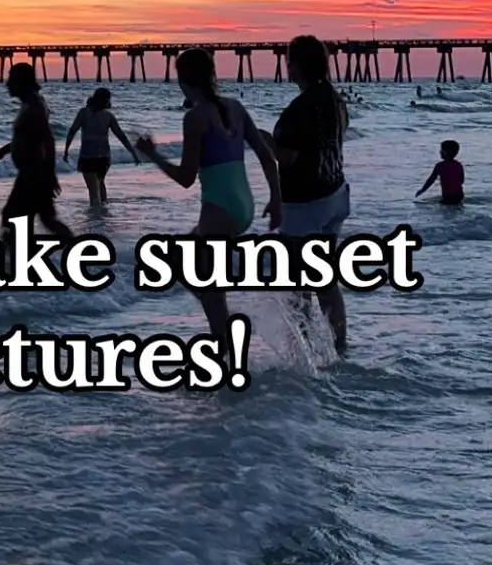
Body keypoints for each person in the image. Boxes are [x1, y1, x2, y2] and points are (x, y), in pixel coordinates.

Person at [135, 47, 281, 347]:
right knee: (177, 258)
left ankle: (226, 360)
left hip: (218, 211)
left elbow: (186, 179)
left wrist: (154, 156)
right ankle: (221, 322)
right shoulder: (236, 107)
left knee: (210, 294)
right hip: (244, 206)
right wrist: (276, 200)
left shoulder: (196, 117)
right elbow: (267, 157)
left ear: (184, 79)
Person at [271, 34, 350, 354]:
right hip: (335, 193)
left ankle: (303, 348)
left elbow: (288, 157)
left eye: (289, 61)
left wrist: (261, 140)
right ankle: (339, 344)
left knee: (297, 282)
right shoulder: (335, 99)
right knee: (325, 278)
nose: (286, 67)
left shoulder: (299, 108)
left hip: (305, 202)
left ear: (298, 66)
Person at [0, 62, 75, 246]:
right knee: (41, 219)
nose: (7, 84)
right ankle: (21, 257)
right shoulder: (30, 104)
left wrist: (50, 174)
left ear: (21, 81)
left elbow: (48, 139)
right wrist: (1, 152)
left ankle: (16, 259)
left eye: (11, 79)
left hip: (34, 174)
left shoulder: (35, 105)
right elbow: (26, 138)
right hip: (31, 173)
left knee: (13, 217)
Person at [63, 85, 139, 207]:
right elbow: (121, 136)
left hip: (88, 156)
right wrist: (133, 153)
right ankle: (103, 214)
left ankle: (96, 219)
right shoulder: (108, 116)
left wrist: (66, 150)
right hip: (104, 157)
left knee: (93, 191)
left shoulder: (84, 113)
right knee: (100, 183)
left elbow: (72, 131)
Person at [417, 138, 465, 206]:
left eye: (442, 150)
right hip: (459, 195)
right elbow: (462, 180)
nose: (440, 152)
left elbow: (431, 179)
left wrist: (422, 190)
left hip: (447, 196)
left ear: (447, 152)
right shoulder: (458, 165)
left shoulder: (440, 166)